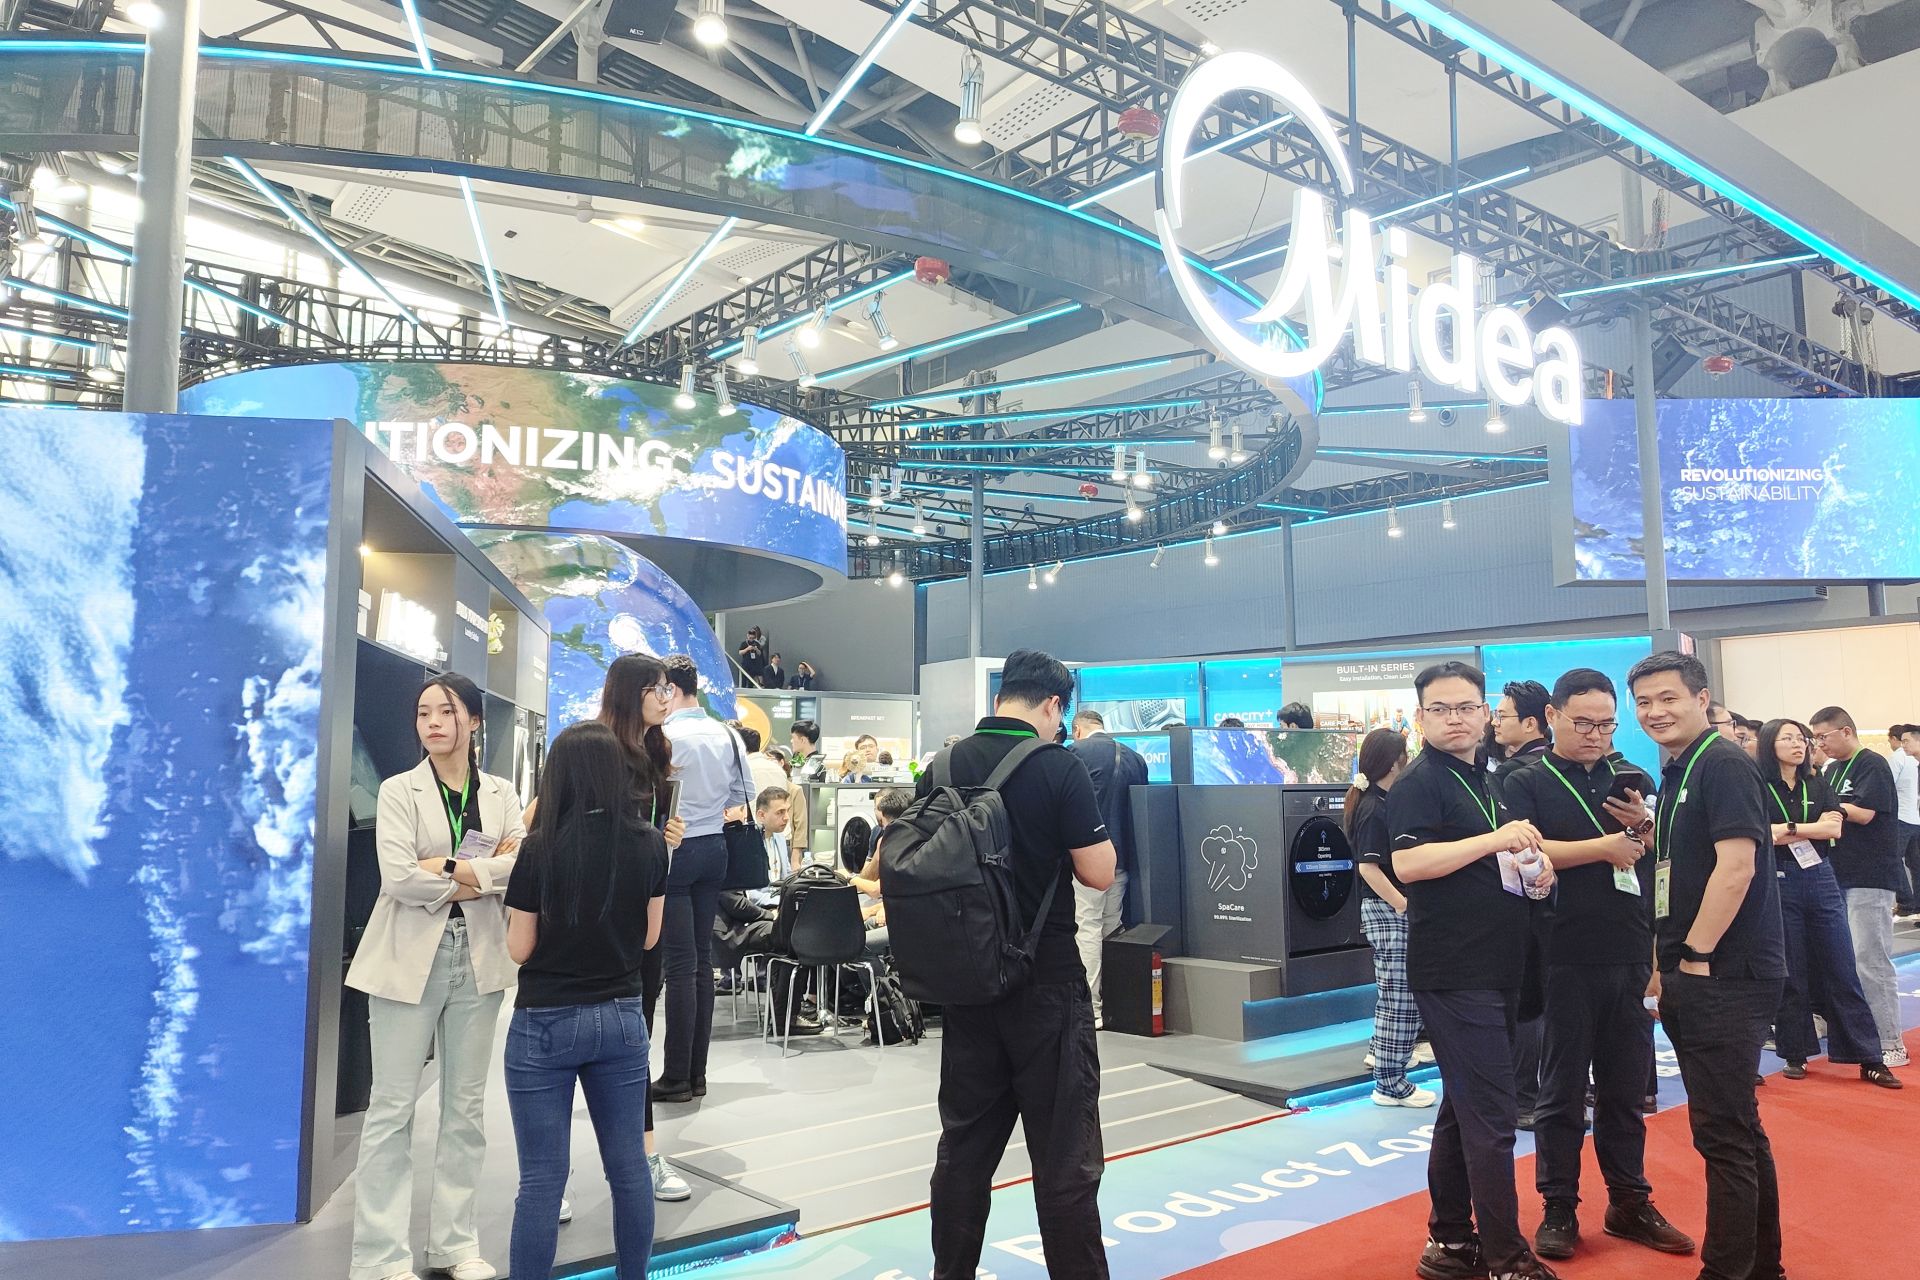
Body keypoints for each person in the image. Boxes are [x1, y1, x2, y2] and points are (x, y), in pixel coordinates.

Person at [918, 649, 1118, 1280]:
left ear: (1003, 694)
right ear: (1054, 704)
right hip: (1046, 984)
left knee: (964, 1153)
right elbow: (1098, 872)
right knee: (1065, 1160)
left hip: (967, 984)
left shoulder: (942, 766)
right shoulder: (1059, 766)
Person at [1500, 669, 1693, 1261]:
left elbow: (1654, 860)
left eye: (1607, 724)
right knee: (1560, 1090)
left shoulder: (1630, 777)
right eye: (1583, 723)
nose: (1596, 735)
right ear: (1552, 716)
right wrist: (1604, 848)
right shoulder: (1523, 780)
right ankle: (1558, 1204)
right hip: (1560, 952)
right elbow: (1522, 851)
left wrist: (1644, 828)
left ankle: (1629, 1200)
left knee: (1625, 1088)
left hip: (1630, 948)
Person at [346, 673, 525, 1280]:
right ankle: (380, 1256)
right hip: (406, 958)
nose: (432, 723)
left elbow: (519, 864)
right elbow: (399, 878)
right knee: (391, 1110)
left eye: (445, 712)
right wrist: (479, 875)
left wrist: (447, 869)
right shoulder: (399, 790)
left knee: (465, 1109)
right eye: (423, 712)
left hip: (479, 956)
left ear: (474, 720)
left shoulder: (501, 793)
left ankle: (454, 1244)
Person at [1388, 660, 1558, 1280]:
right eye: (1440, 709)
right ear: (1420, 717)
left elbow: (1497, 862)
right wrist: (1495, 841)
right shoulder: (1420, 782)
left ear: (1485, 713)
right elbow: (1409, 866)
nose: (1455, 719)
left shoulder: (1486, 780)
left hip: (1499, 962)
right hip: (1456, 970)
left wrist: (1535, 871)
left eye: (1466, 708)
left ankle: (1452, 1242)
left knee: (1465, 1110)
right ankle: (1506, 1256)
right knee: (1491, 1117)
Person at [1629, 651, 1785, 1280]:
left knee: (1723, 1135)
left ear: (1701, 698)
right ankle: (1761, 1264)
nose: (1655, 712)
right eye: (1644, 702)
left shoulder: (1721, 763)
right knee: (1736, 1129)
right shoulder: (1679, 770)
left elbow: (1737, 867)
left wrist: (1695, 957)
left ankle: (1727, 1270)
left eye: (1668, 698)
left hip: (1726, 973)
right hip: (1701, 970)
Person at [503, 721, 670, 1280]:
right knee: (629, 1170)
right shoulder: (650, 843)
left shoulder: (539, 849)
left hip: (544, 1022)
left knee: (541, 1181)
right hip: (622, 1017)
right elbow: (649, 938)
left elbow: (520, 948)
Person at [590, 653, 692, 1202]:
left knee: (637, 1039)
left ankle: (642, 1157)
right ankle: (550, 1174)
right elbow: (547, 820)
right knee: (572, 1046)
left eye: (668, 688)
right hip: (594, 916)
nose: (666, 697)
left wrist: (665, 838)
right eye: (657, 688)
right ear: (632, 692)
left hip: (645, 912)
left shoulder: (658, 753)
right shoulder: (594, 749)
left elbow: (648, 837)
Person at [1759, 718, 1900, 1088]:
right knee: (1791, 969)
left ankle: (1869, 1056)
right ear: (1770, 745)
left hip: (1821, 875)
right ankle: (1795, 1053)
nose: (1798, 744)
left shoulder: (1818, 782)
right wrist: (1804, 829)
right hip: (1778, 877)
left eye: (1801, 738)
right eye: (1787, 738)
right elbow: (1761, 833)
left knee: (1842, 965)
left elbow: (1833, 828)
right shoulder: (1759, 786)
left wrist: (1787, 829)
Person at [657, 654, 755, 1103]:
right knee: (700, 960)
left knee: (679, 964)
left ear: (671, 689)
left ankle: (677, 1076)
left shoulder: (666, 737)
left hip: (675, 849)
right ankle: (696, 1075)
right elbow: (743, 795)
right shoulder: (728, 735)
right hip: (715, 848)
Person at [1807, 705, 1908, 1068]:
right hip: (1838, 873)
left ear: (1846, 731)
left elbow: (1864, 813)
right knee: (1841, 961)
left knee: (1871, 960)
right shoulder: (1832, 770)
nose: (1820, 744)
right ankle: (1854, 1036)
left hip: (1870, 875)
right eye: (1815, 738)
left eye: (1824, 736)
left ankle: (1890, 1041)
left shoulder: (1871, 764)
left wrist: (1828, 810)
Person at [1347, 727, 1434, 1108]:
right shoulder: (1373, 809)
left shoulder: (1380, 801)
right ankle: (1390, 1082)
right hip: (1388, 910)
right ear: (1394, 763)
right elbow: (1368, 868)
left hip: (1390, 909)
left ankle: (1383, 1059)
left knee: (1396, 993)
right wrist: (1403, 905)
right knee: (1400, 997)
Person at [1488, 678, 1551, 1130]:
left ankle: (1524, 1098)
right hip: (1564, 906)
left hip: (1527, 902)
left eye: (1502, 715)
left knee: (1527, 1002)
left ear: (1531, 723)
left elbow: (1515, 845)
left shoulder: (1511, 777)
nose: (1494, 723)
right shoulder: (1560, 769)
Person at [1068, 708, 1149, 1027]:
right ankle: (1115, 1004)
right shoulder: (1135, 758)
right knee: (1112, 929)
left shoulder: (1076, 754)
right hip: (1123, 860)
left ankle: (1091, 1007)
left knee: (1086, 926)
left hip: (1087, 859)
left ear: (1077, 730)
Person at [1888, 724, 1920, 920]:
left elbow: (1887, 786)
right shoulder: (1910, 760)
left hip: (1902, 818)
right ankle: (1914, 904)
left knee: (1893, 859)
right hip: (1913, 818)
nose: (1903, 744)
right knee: (1916, 864)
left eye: (1906, 741)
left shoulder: (1898, 757)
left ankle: (1907, 902)